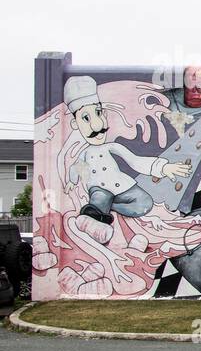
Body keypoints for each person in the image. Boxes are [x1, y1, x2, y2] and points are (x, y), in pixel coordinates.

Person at [62, 76, 192, 244]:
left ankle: (109, 208)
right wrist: (72, 180)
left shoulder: (111, 147)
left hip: (124, 187)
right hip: (100, 189)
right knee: (99, 199)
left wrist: (163, 167)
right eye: (86, 118)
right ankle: (94, 221)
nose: (97, 125)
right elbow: (75, 168)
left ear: (105, 113)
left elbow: (135, 161)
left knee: (145, 203)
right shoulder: (85, 153)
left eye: (98, 113)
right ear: (74, 123)